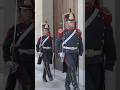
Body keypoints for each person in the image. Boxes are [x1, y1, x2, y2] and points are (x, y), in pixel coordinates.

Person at [2, 0, 35, 90]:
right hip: (17, 62)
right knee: (10, 85)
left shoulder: (35, 29)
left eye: (29, 11)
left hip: (31, 63)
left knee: (29, 86)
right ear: (20, 13)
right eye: (24, 11)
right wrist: (8, 60)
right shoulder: (15, 29)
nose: (28, 13)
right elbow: (6, 46)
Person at [85, 0, 116, 90]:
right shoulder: (73, 15)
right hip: (79, 64)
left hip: (97, 65)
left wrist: (109, 67)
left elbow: (109, 44)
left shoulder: (103, 15)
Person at [56, 9, 83, 90]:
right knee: (72, 67)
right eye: (70, 21)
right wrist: (59, 52)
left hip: (75, 52)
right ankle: (75, 86)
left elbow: (80, 42)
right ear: (66, 22)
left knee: (70, 69)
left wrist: (81, 51)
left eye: (73, 21)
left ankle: (67, 85)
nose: (72, 23)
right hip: (67, 53)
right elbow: (58, 43)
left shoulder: (77, 32)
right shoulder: (63, 32)